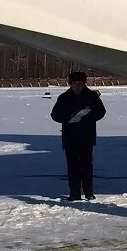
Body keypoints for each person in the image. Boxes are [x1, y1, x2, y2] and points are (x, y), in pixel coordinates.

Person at [49, 70, 107, 201]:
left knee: (87, 166)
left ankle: (89, 192)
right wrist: (69, 118)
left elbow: (101, 112)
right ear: (70, 84)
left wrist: (87, 117)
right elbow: (55, 115)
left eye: (80, 83)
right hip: (70, 137)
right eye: (75, 83)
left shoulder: (92, 96)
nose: (78, 86)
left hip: (87, 136)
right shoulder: (64, 97)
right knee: (73, 166)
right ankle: (74, 193)